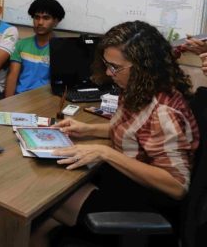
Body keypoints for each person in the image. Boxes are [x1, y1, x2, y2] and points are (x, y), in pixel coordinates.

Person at [31, 21, 199, 247]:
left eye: (116, 67)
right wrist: (88, 128)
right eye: (107, 64)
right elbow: (136, 131)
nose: (110, 73)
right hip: (123, 180)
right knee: (44, 220)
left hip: (146, 201)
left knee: (45, 203)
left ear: (142, 67)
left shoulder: (164, 112)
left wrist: (105, 153)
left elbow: (177, 186)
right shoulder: (138, 89)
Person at [4, 0, 65, 97]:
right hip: (20, 97)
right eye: (36, 17)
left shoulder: (61, 48)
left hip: (46, 99)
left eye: (46, 18)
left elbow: (62, 84)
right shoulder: (21, 44)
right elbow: (12, 75)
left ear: (56, 21)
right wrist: (7, 104)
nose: (40, 22)